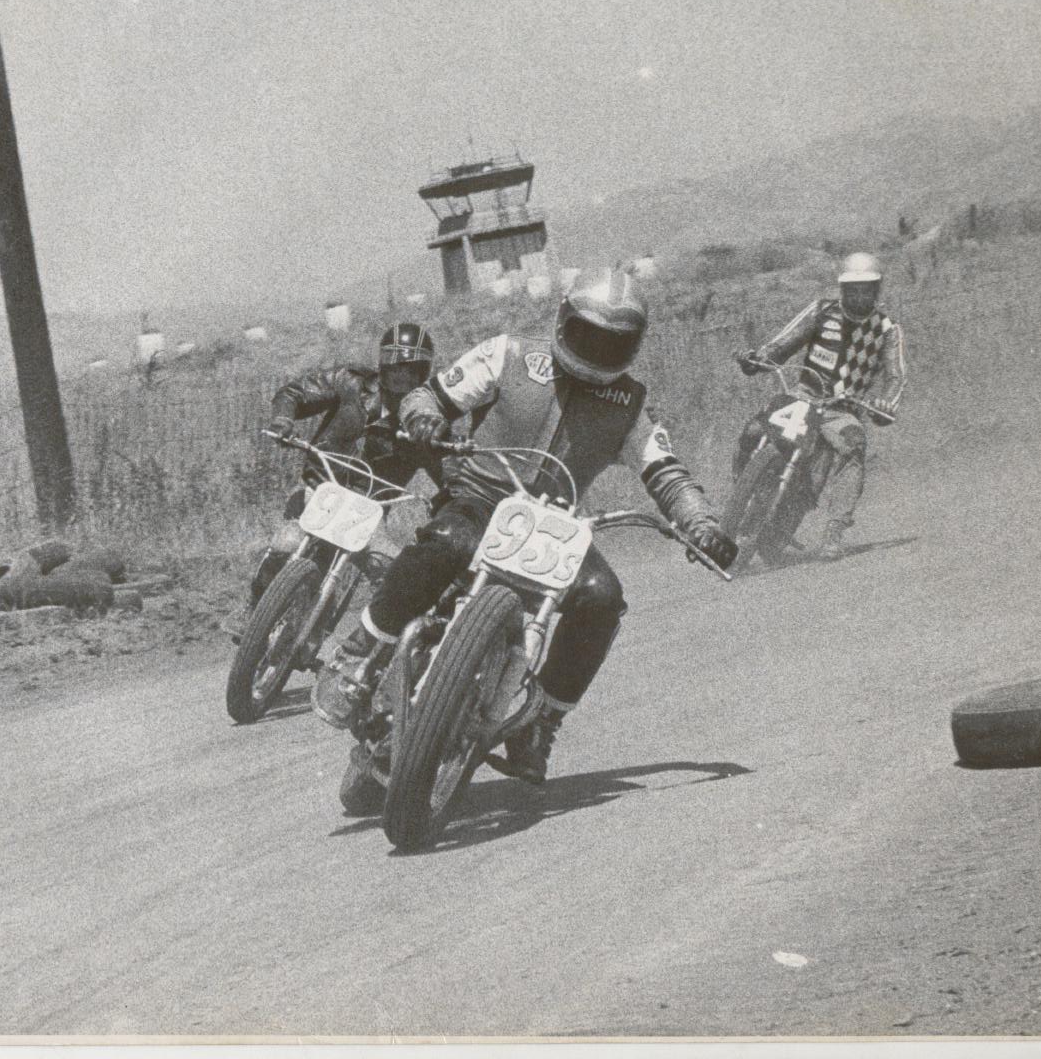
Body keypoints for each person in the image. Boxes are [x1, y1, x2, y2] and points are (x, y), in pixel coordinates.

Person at [315, 264, 738, 785]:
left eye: (613, 344)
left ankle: (540, 723)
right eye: (587, 336)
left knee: (602, 596)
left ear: (632, 346)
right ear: (563, 320)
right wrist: (422, 416)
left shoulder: (630, 404)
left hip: (556, 527)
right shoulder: (509, 352)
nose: (597, 352)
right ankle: (361, 651)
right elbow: (436, 394)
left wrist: (700, 523)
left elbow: (665, 471)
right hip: (481, 498)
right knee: (445, 541)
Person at [233, 322, 442, 639]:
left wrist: (445, 501)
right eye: (396, 365)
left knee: (391, 570)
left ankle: (369, 647)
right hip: (319, 490)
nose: (402, 375)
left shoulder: (421, 420)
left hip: (367, 512)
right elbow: (295, 392)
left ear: (422, 372)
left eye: (411, 369)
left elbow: (446, 470)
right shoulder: (351, 384)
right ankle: (253, 606)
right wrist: (284, 418)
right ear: (383, 364)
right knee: (285, 544)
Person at [733, 251, 907, 560]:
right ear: (842, 288)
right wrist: (759, 359)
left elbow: (896, 377)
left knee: (854, 444)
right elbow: (782, 345)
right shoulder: (821, 312)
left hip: (843, 410)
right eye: (852, 288)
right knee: (754, 429)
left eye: (866, 288)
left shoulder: (887, 329)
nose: (858, 294)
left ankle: (834, 531)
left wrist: (885, 404)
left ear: (877, 289)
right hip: (803, 395)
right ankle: (739, 495)